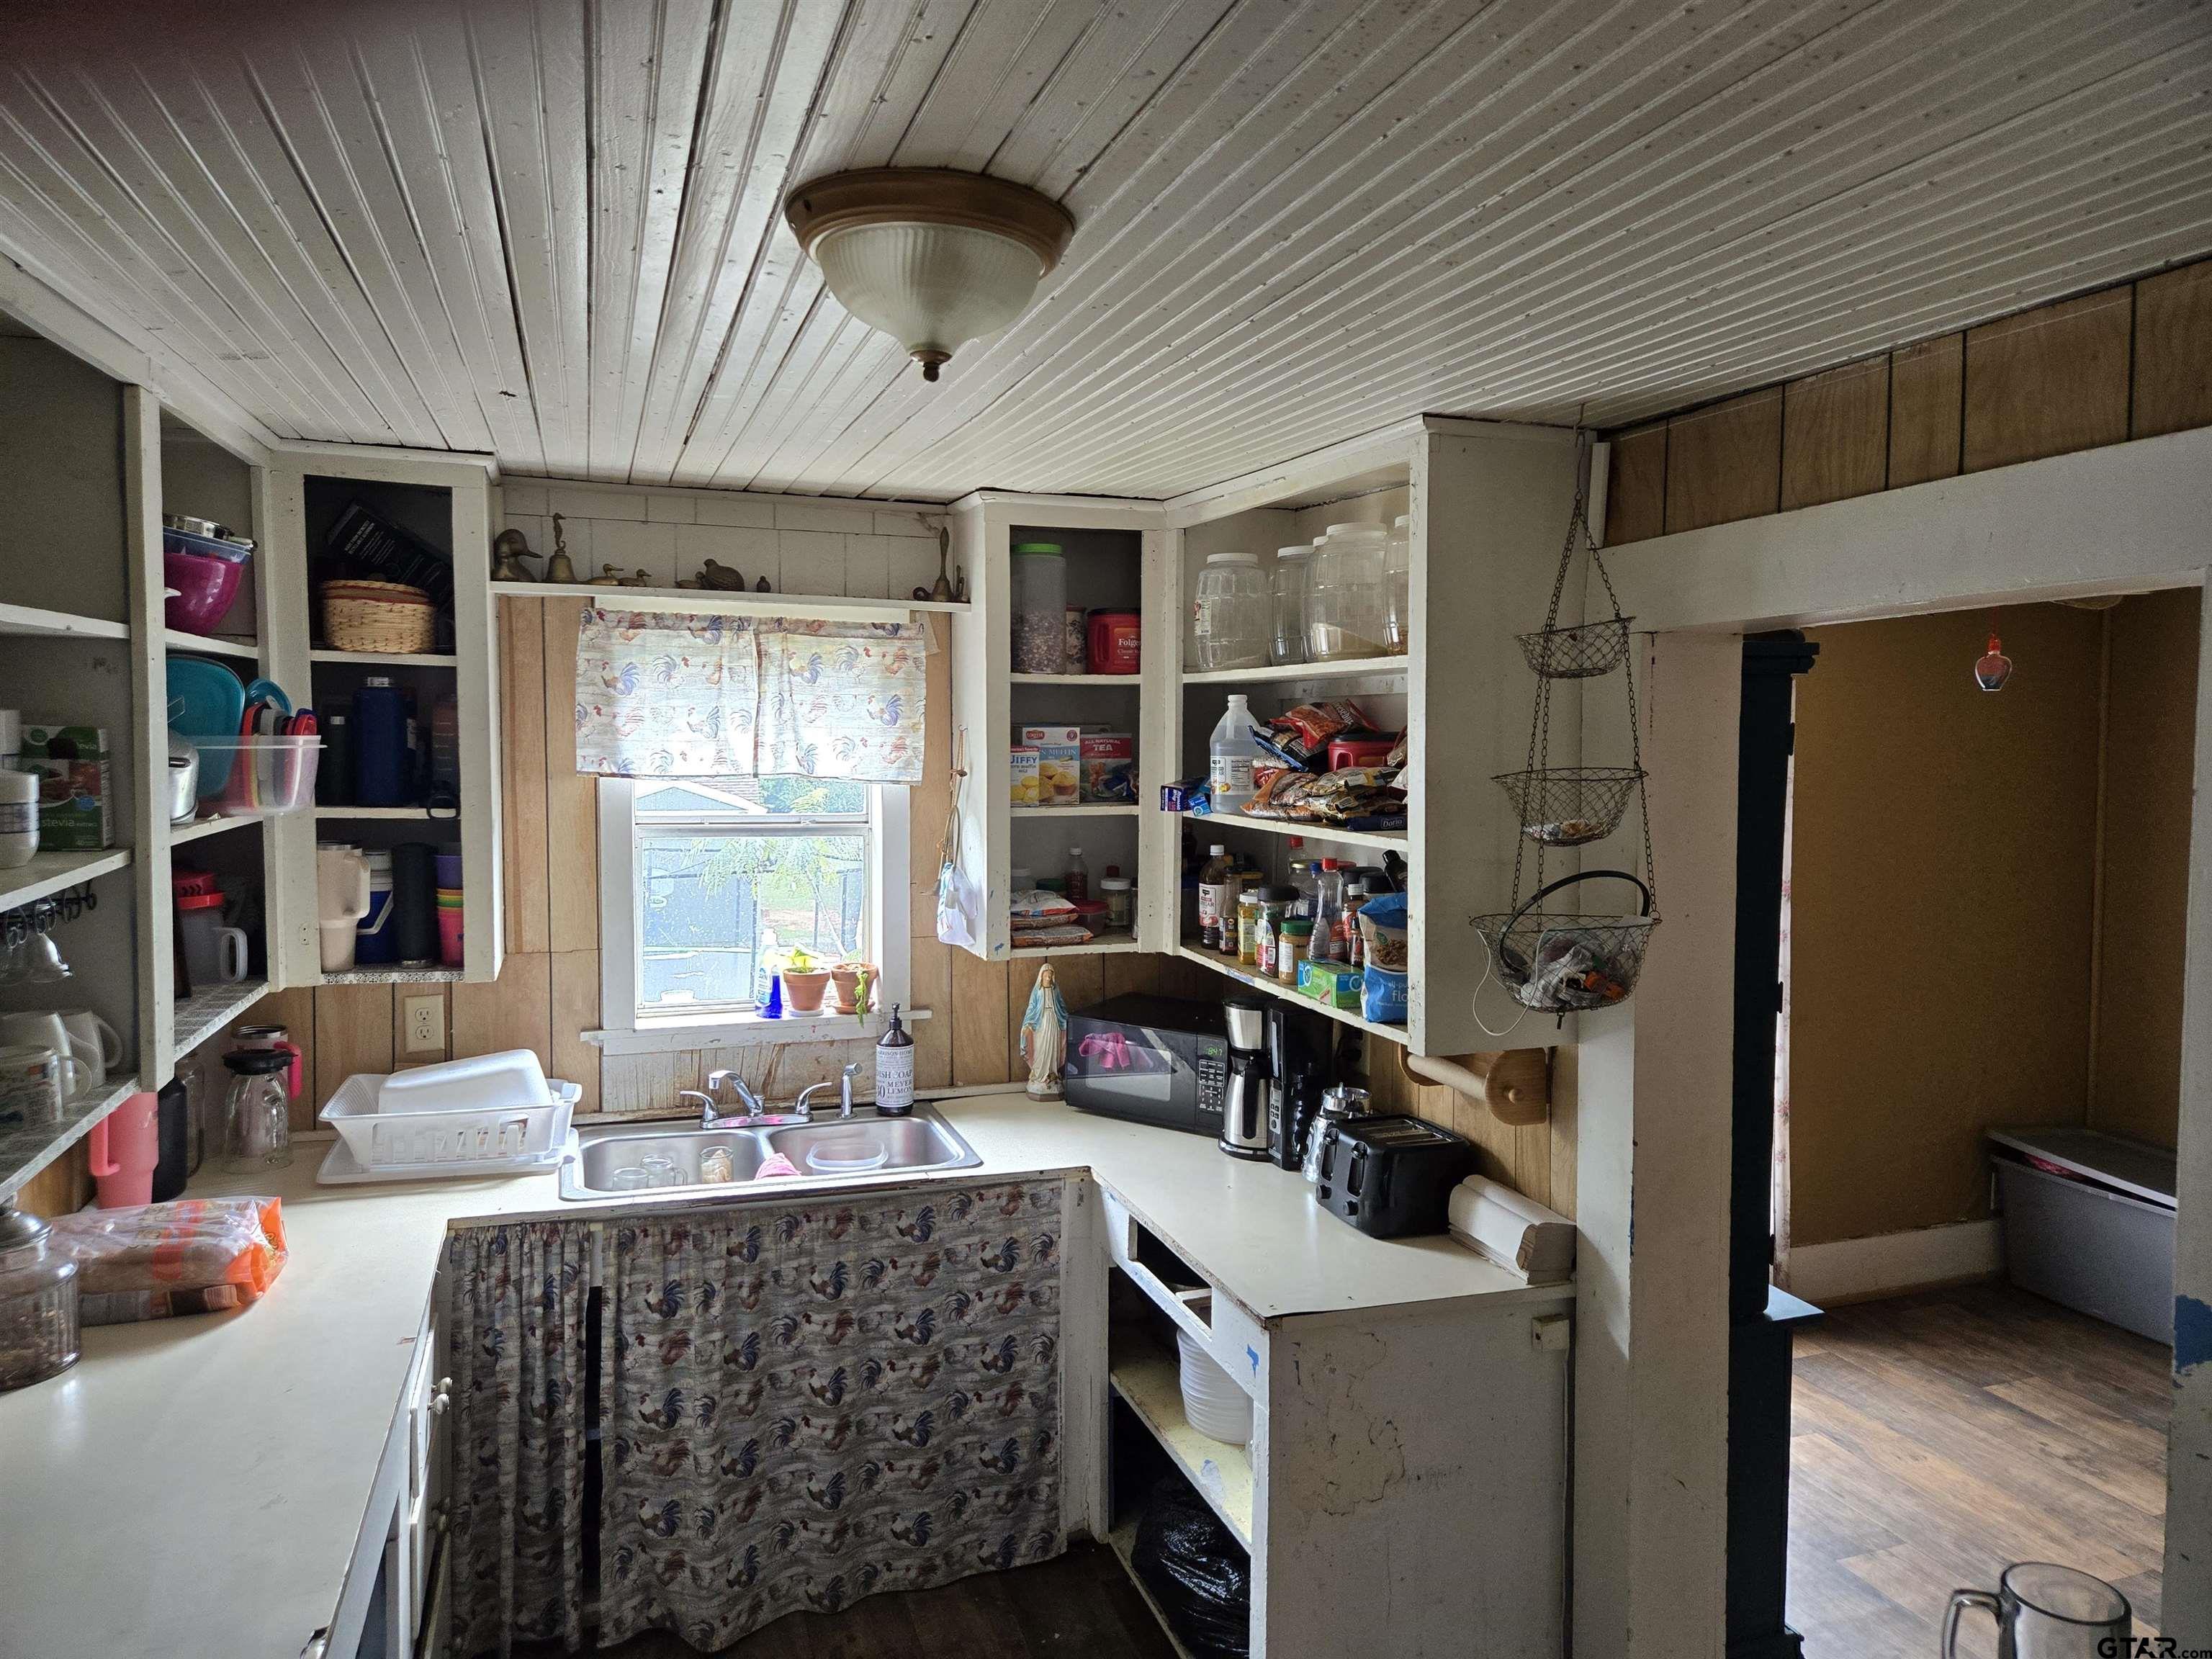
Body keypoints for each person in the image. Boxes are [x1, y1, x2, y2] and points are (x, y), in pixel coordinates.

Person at [1018, 962, 1068, 1100]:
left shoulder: (1055, 990)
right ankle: (1040, 1075)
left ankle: (1052, 1073)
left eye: (1051, 975)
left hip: (1053, 1020)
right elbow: (1032, 1008)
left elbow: (1061, 1005)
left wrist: (1065, 1018)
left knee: (1053, 1047)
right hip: (1041, 1022)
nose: (1049, 977)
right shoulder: (1038, 991)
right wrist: (1028, 1024)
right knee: (1041, 1048)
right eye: (1047, 974)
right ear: (1042, 976)